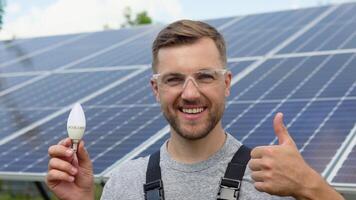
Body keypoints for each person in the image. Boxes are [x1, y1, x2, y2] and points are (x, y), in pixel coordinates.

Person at [46, 20, 344, 200]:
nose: (190, 93)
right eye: (174, 79)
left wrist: (310, 186)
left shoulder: (275, 177)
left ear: (226, 83)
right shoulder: (124, 182)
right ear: (155, 89)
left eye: (205, 76)